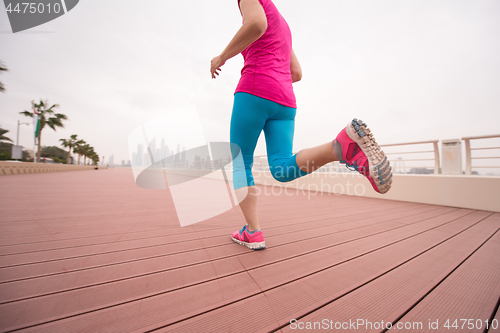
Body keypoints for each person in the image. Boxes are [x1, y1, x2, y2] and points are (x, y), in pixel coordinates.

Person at [210, 0, 392, 250]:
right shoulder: (283, 24)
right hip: (285, 99)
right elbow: (296, 73)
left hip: (254, 88)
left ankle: (252, 232)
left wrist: (222, 56)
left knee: (242, 163)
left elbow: (256, 23)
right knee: (282, 168)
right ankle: (339, 147)